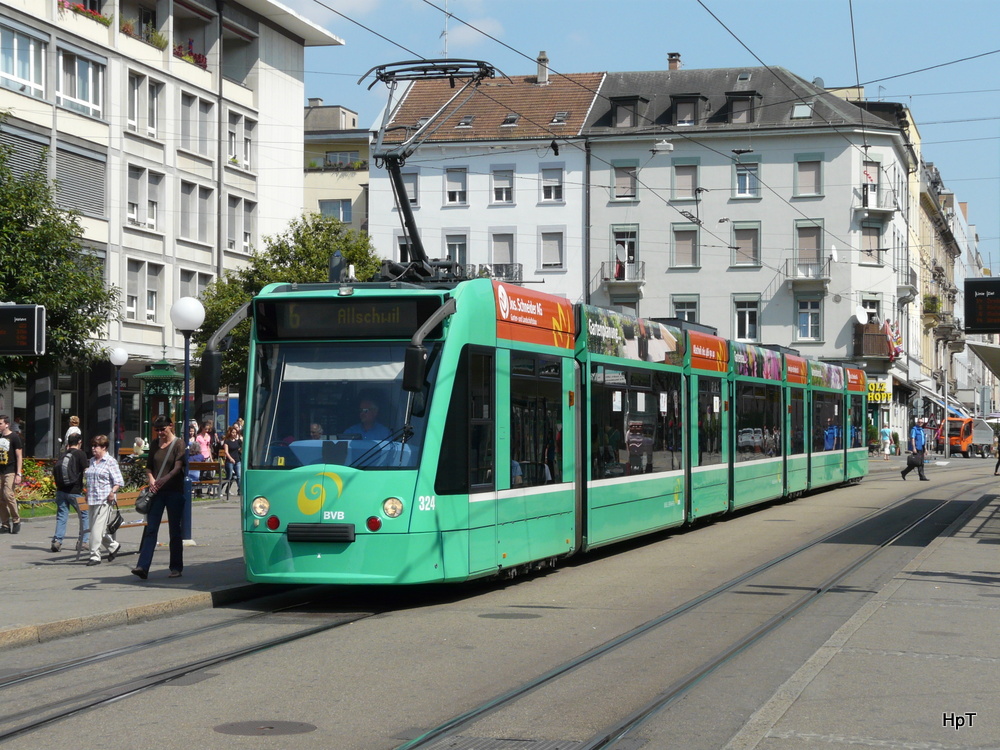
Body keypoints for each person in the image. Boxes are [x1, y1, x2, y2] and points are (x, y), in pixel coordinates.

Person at [132, 415, 185, 580]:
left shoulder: (179, 443)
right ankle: (143, 566)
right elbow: (149, 467)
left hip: (174, 491)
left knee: (174, 530)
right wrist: (152, 479)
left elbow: (178, 467)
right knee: (151, 529)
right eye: (157, 430)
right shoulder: (155, 444)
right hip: (157, 493)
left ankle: (176, 567)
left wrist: (164, 479)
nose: (160, 433)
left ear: (171, 426)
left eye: (163, 429)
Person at [83, 435, 124, 565]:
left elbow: (118, 481)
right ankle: (113, 546)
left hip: (104, 500)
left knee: (96, 529)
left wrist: (113, 492)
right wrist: (87, 491)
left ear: (104, 447)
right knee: (94, 528)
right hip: (92, 499)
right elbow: (90, 479)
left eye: (96, 446)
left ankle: (94, 556)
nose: (93, 449)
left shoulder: (110, 462)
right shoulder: (92, 461)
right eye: (93, 446)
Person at [51, 432, 90, 553]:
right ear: (79, 442)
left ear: (68, 442)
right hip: (75, 491)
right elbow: (87, 472)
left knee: (62, 515)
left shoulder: (64, 454)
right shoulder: (80, 454)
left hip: (61, 490)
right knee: (85, 514)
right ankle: (83, 542)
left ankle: (57, 541)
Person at [0, 414, 24, 534]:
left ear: (7, 424)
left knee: (8, 494)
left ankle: (16, 520)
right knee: (1, 498)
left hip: (10, 471)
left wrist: (18, 474)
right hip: (0, 471)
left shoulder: (14, 437)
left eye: (0, 423)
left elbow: (19, 456)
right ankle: (5, 524)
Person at [901, 417, 929, 481]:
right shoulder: (914, 429)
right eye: (919, 422)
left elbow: (923, 440)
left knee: (918, 463)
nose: (920, 423)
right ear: (917, 422)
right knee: (918, 463)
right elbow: (912, 438)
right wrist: (914, 448)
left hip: (921, 447)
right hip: (917, 447)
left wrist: (925, 449)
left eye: (921, 422)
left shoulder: (922, 430)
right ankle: (922, 476)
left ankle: (904, 472)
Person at [221, 425, 243, 497]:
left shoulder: (237, 441)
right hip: (229, 461)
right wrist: (231, 459)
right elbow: (226, 452)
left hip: (237, 460)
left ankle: (240, 491)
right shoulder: (227, 441)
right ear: (230, 433)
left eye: (235, 432)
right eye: (233, 432)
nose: (234, 434)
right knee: (229, 477)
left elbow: (239, 449)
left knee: (239, 476)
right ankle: (220, 488)